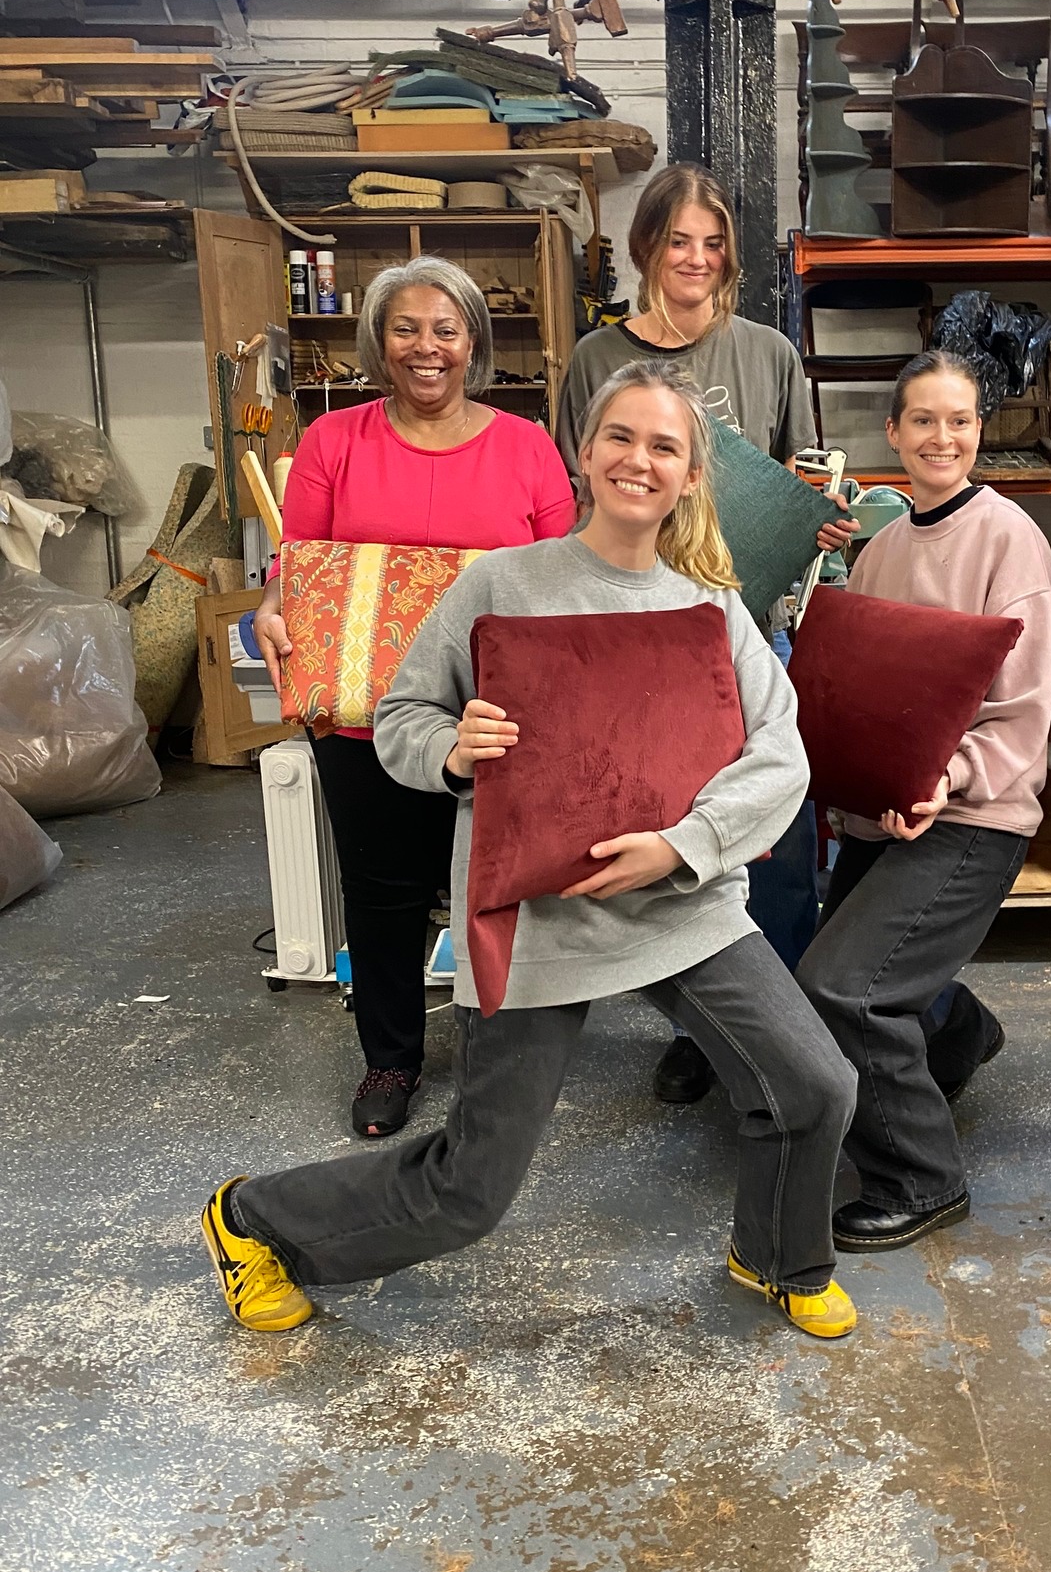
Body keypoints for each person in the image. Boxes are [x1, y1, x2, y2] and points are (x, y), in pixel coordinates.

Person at [202, 362, 860, 1343]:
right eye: (621, 438)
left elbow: (782, 754)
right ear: (584, 455)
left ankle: (777, 1256)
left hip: (678, 900)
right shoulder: (501, 585)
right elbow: (402, 723)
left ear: (689, 478)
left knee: (817, 1084)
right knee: (472, 1190)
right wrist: (454, 754)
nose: (640, 459)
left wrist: (683, 847)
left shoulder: (708, 607)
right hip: (534, 914)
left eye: (665, 446)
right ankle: (256, 1221)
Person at [253, 255, 575, 1139]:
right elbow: (297, 569)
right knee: (383, 887)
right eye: (406, 328)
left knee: (497, 889)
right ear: (378, 342)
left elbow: (562, 578)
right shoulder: (333, 441)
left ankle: (502, 1059)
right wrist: (273, 612)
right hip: (363, 713)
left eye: (446, 328)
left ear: (474, 339)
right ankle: (389, 1058)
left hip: (493, 717)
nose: (425, 348)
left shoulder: (527, 446)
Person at [559, 162, 856, 1105]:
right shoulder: (595, 363)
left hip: (746, 629)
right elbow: (571, 501)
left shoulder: (769, 354)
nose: (696, 259)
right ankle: (702, 1028)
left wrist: (827, 514)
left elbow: (803, 482)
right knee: (666, 845)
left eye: (714, 243)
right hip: (634, 638)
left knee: (764, 844)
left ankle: (792, 1028)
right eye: (678, 240)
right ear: (647, 246)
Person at [796, 351, 1051, 1252]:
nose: (941, 438)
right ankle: (959, 1033)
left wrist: (943, 780)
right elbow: (864, 695)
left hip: (974, 813)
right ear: (894, 434)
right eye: (923, 421)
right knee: (829, 973)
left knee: (843, 990)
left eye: (960, 421)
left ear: (979, 431)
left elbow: (1022, 716)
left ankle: (923, 1179)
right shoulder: (882, 548)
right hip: (890, 811)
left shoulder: (1009, 539)